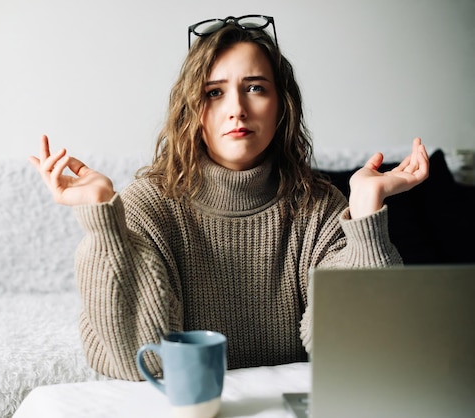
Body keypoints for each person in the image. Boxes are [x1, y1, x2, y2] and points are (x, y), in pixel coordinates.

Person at [29, 15, 429, 381]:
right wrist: (105, 222)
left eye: (255, 88)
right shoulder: (149, 205)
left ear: (282, 107)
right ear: (191, 111)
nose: (236, 109)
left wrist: (364, 217)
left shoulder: (318, 207)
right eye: (214, 92)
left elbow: (358, 353)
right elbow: (145, 361)